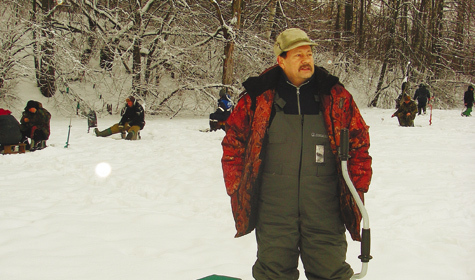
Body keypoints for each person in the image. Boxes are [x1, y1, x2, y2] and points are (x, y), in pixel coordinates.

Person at [221, 28, 372, 280]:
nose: (306, 60)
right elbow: (233, 143)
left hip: (324, 207)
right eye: (298, 54)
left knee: (331, 273)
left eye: (309, 53)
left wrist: (357, 187)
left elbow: (358, 143)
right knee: (273, 274)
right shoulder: (258, 98)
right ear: (280, 60)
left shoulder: (336, 96)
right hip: (274, 208)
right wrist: (237, 185)